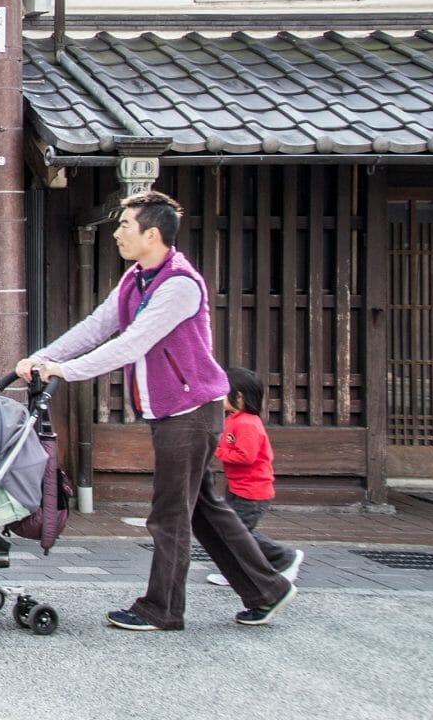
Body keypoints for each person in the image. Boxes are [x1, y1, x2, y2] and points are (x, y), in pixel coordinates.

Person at [16, 190, 296, 631]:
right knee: (203, 509)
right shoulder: (135, 279)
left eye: (125, 226)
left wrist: (63, 371)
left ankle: (162, 608)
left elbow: (132, 343)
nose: (117, 234)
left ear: (152, 233)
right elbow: (96, 327)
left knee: (169, 514)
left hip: (190, 411)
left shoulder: (179, 285)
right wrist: (40, 357)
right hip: (173, 413)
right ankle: (267, 589)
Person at [209, 366, 304, 587]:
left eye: (224, 391)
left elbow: (245, 456)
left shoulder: (247, 423)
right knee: (231, 531)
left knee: (237, 533)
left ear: (239, 396)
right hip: (239, 488)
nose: (219, 395)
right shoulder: (235, 418)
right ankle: (235, 572)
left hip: (252, 492)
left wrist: (216, 451)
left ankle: (284, 558)